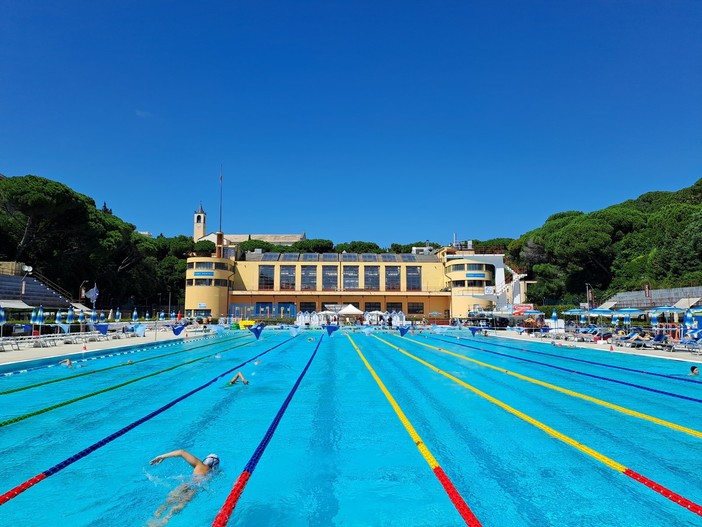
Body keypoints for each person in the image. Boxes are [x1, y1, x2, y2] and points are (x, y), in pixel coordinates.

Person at [147, 450, 219, 526]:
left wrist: (162, 456)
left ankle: (157, 514)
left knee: (169, 500)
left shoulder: (200, 465)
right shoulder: (213, 473)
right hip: (194, 489)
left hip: (186, 484)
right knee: (181, 504)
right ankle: (166, 519)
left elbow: (181, 452)